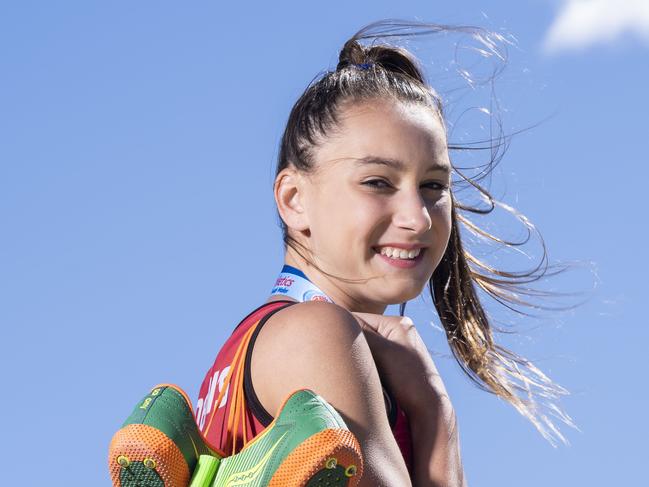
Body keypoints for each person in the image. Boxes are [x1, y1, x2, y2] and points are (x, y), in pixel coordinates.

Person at [196, 19, 573, 487]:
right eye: (378, 182)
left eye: (434, 186)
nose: (418, 218)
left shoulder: (238, 358)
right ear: (294, 199)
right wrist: (436, 415)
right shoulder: (316, 334)